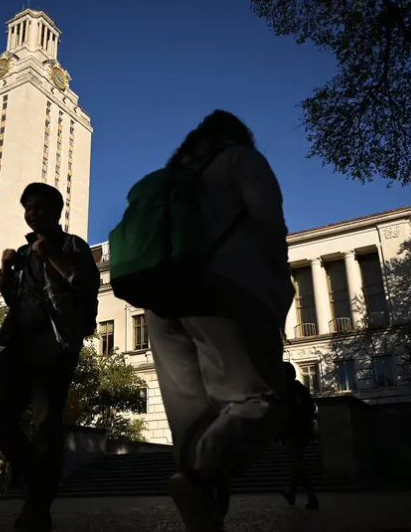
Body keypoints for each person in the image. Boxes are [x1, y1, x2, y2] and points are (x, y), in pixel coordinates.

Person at [142, 111, 296, 532]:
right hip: (224, 290)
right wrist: (278, 288)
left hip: (161, 301)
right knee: (256, 400)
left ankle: (204, 515)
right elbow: (269, 224)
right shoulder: (240, 159)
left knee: (191, 419)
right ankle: (205, 473)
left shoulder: (172, 177)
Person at [0, 182, 100, 532]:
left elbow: (84, 284)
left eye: (39, 206)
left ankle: (37, 506)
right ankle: (39, 479)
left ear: (57, 209)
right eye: (28, 208)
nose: (33, 213)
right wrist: (5, 272)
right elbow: (15, 297)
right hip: (18, 342)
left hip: (56, 343)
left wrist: (52, 255)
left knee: (45, 422)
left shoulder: (71, 245)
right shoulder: (24, 251)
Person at [279, 362, 320, 510]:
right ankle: (292, 491)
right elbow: (311, 408)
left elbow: (284, 413)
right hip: (302, 430)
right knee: (298, 462)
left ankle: (309, 496)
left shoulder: (288, 390)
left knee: (298, 463)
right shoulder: (299, 388)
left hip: (294, 431)